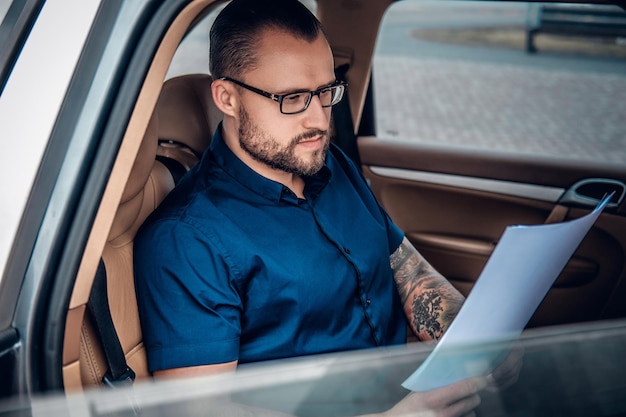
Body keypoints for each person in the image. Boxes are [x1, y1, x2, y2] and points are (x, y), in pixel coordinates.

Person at [133, 0, 494, 415]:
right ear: (227, 98)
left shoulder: (332, 166)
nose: (319, 120)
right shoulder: (188, 238)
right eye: (292, 99)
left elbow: (403, 266)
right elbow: (195, 410)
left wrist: (474, 343)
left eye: (325, 92)